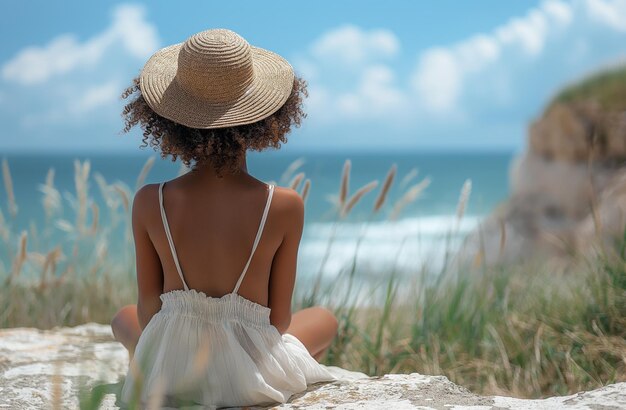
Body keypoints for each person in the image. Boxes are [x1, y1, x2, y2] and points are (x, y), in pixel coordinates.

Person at [110, 28, 364, 408]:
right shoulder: (284, 204)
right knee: (325, 319)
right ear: (266, 117)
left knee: (122, 319)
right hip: (248, 372)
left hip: (177, 369)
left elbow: (150, 311)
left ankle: (166, 381)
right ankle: (254, 390)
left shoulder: (151, 201)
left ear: (171, 122)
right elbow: (278, 321)